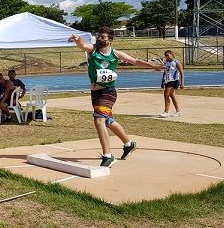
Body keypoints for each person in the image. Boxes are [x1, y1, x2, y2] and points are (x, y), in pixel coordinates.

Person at [69, 27, 164, 167]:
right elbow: (83, 45)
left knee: (99, 120)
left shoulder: (116, 54)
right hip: (95, 93)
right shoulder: (92, 50)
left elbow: (135, 61)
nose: (100, 39)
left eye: (103, 37)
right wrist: (77, 39)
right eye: (99, 36)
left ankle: (108, 156)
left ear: (111, 40)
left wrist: (154, 66)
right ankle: (129, 143)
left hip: (108, 92)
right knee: (108, 121)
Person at [160, 50, 185, 118]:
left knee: (166, 94)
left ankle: (166, 112)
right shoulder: (167, 63)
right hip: (167, 80)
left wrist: (182, 83)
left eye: (167, 55)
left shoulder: (176, 62)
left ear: (171, 54)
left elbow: (182, 72)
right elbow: (165, 72)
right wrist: (162, 81)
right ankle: (178, 111)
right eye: (165, 56)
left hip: (173, 80)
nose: (166, 57)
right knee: (172, 95)